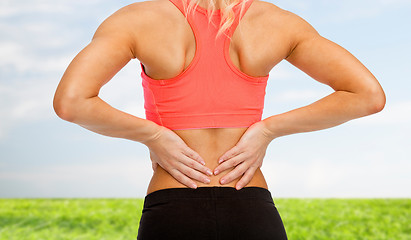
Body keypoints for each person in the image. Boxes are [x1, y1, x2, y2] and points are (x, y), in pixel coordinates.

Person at [53, 0, 386, 239]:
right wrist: (267, 130)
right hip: (250, 206)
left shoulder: (138, 18)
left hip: (173, 206)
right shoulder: (277, 21)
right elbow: (367, 95)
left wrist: (154, 136)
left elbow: (72, 102)